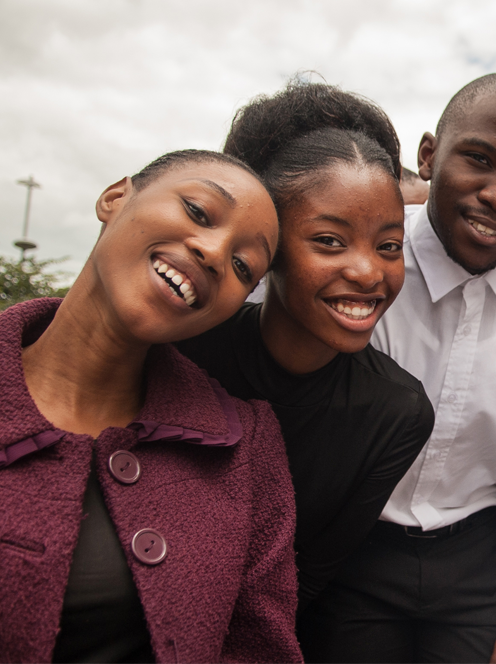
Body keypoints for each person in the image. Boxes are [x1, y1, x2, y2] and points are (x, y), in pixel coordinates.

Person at [325, 73, 496, 663]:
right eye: (479, 159)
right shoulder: (354, 255)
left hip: (479, 557)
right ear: (428, 156)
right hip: (345, 545)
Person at [0, 150, 303, 663]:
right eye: (199, 212)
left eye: (241, 266)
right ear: (115, 198)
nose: (212, 252)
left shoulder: (247, 446)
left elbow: (261, 648)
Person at [174, 82, 435, 660]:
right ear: (268, 243)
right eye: (329, 241)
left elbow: (305, 580)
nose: (368, 272)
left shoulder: (398, 413)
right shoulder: (178, 353)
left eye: (389, 246)